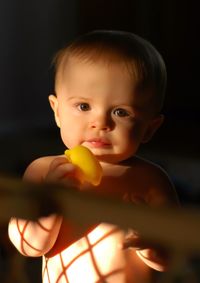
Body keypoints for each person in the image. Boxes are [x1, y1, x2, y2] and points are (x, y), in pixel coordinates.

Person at [8, 30, 179, 283]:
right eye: (83, 106)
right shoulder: (43, 171)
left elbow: (173, 257)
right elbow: (29, 246)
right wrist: (51, 202)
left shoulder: (150, 179)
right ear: (57, 112)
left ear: (149, 128)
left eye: (121, 112)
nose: (100, 123)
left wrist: (149, 242)